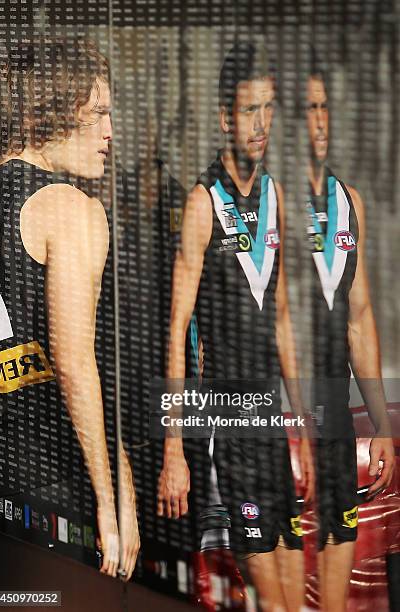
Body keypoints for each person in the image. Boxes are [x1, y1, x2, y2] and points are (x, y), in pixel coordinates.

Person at [157, 42, 314, 611]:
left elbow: (285, 320)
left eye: (269, 108)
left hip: (273, 427)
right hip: (227, 429)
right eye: (251, 110)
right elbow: (175, 331)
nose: (262, 124)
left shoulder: (275, 197)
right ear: (226, 116)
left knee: (300, 605)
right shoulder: (203, 204)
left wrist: (303, 430)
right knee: (272, 605)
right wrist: (174, 449)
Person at [0, 38, 139, 579]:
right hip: (53, 484)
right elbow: (75, 363)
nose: (110, 133)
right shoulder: (70, 208)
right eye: (98, 112)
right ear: (47, 112)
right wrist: (112, 497)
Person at [305, 63, 395, 611]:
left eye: (323, 107)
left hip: (333, 416)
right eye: (305, 109)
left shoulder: (347, 201)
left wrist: (382, 423)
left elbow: (360, 320)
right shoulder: (254, 199)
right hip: (271, 421)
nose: (318, 121)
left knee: (333, 600)